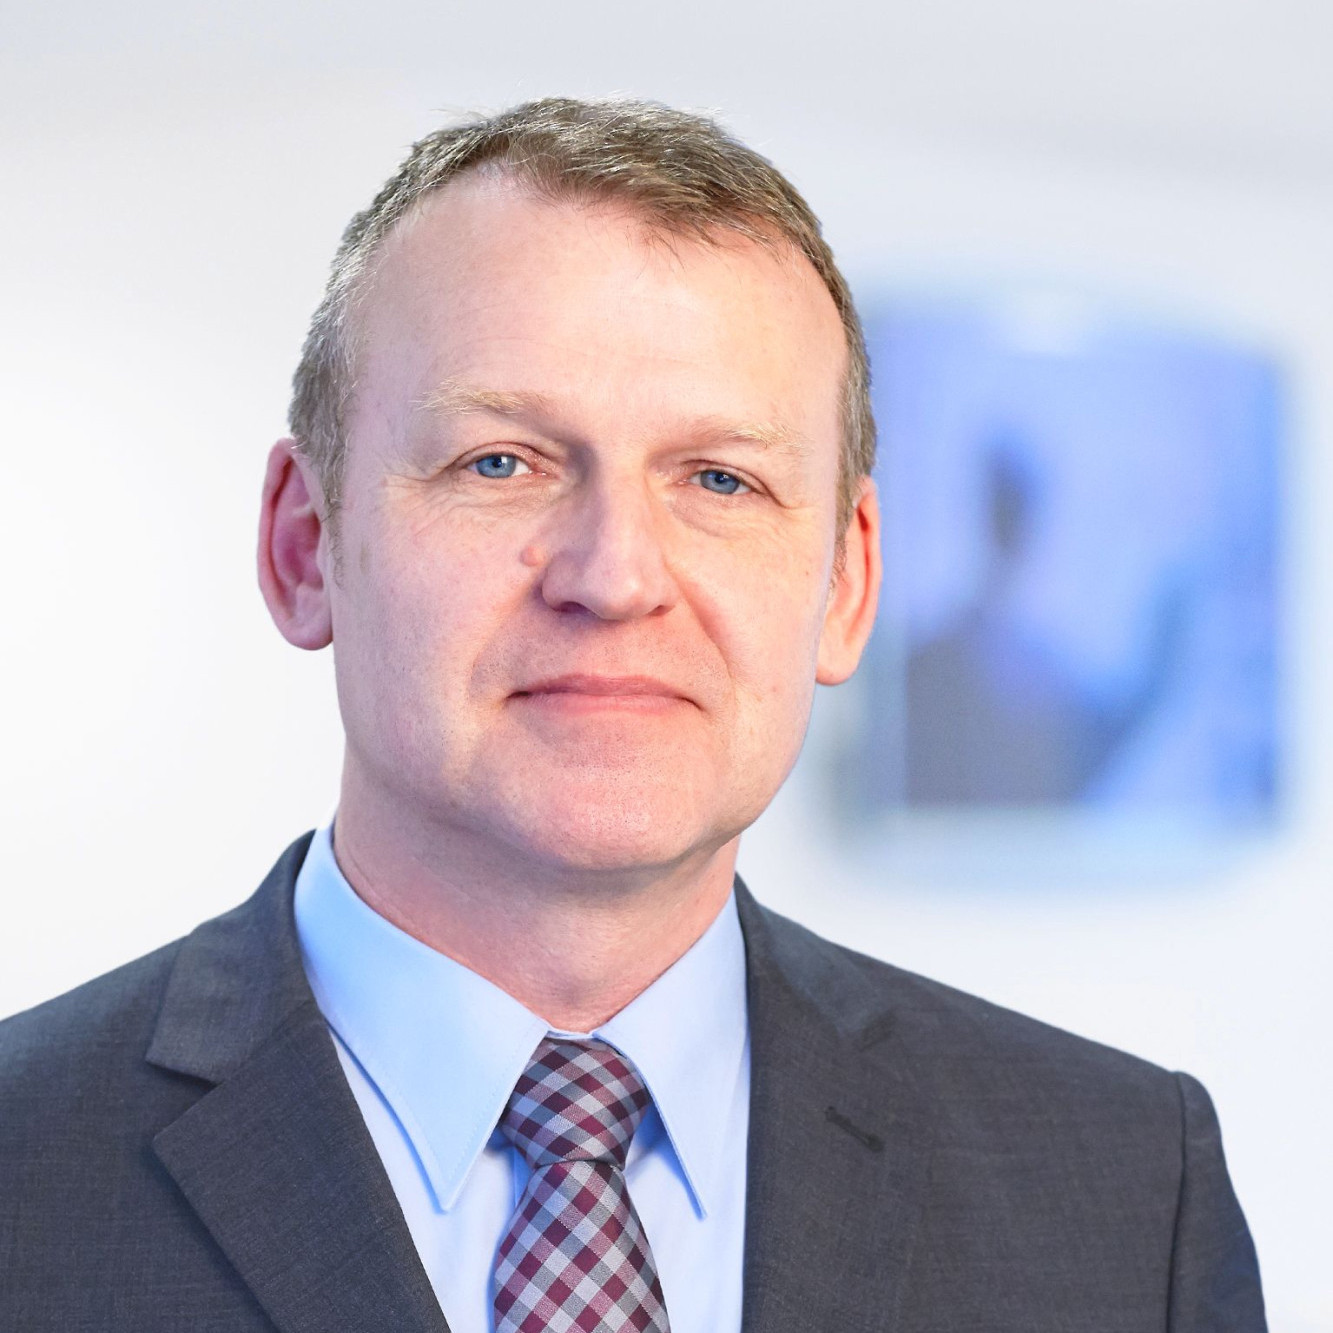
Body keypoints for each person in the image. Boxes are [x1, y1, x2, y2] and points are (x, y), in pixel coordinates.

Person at [0, 98, 1264, 1332]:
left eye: (720, 478)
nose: (613, 576)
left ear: (848, 582)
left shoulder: (1126, 1197)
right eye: (499, 462)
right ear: (302, 544)